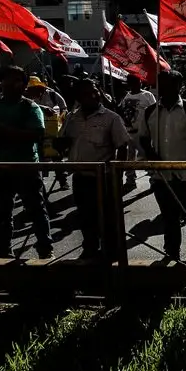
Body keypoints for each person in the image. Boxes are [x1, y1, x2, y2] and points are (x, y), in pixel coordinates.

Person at [137, 70, 186, 262]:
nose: (164, 89)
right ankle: (172, 255)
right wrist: (151, 154)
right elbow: (143, 138)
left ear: (179, 86)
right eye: (161, 85)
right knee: (169, 219)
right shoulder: (150, 112)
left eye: (169, 85)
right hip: (162, 178)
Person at [56, 79, 129, 259]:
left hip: (103, 178)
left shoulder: (111, 118)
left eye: (95, 91)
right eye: (87, 93)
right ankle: (90, 248)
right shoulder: (72, 118)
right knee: (85, 216)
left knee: (107, 218)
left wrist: (117, 175)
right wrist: (60, 144)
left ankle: (111, 253)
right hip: (80, 177)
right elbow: (63, 142)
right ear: (79, 97)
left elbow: (122, 146)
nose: (93, 95)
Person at [0, 66, 54, 259]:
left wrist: (2, 131)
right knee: (1, 212)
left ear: (24, 85)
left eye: (17, 80)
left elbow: (36, 134)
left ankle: (45, 248)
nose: (11, 84)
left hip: (26, 167)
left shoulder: (29, 107)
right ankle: (3, 249)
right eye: (7, 79)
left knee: (36, 210)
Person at [117, 75, 157, 188]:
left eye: (137, 81)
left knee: (146, 156)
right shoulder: (127, 96)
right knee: (130, 157)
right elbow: (122, 111)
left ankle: (153, 178)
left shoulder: (147, 95)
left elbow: (154, 111)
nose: (136, 84)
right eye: (132, 82)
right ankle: (130, 179)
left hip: (142, 132)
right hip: (129, 132)